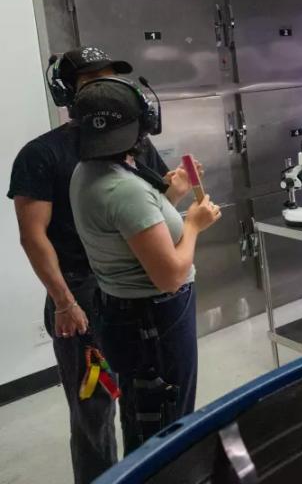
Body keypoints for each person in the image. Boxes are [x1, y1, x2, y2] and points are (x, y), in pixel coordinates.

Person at [6, 47, 179, 483]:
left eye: (109, 77)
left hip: (132, 291)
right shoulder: (40, 154)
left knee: (145, 396)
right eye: (92, 80)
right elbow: (33, 236)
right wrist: (64, 302)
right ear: (67, 93)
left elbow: (155, 200)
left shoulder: (134, 140)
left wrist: (176, 194)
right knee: (93, 408)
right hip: (79, 293)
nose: (105, 87)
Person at [69, 77, 220, 455]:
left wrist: (172, 195)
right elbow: (170, 276)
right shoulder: (125, 190)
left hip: (126, 314)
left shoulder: (88, 171)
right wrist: (193, 224)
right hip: (154, 319)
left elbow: (135, 229)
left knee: (143, 415)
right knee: (167, 424)